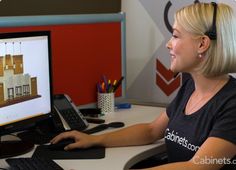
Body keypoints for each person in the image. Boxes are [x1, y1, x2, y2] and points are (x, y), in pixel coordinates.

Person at [51, 2, 236, 170]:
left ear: (202, 44)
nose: (168, 44)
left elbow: (197, 167)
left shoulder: (231, 103)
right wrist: (95, 140)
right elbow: (152, 130)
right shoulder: (190, 87)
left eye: (176, 36)